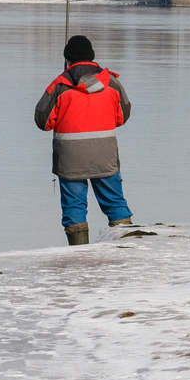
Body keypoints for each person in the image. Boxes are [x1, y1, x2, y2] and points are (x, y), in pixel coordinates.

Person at [33, 34, 134, 245]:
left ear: (68, 59)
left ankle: (79, 255)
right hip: (104, 156)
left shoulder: (60, 85)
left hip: (70, 159)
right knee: (115, 203)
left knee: (74, 207)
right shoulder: (111, 83)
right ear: (92, 56)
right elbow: (123, 116)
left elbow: (42, 121)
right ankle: (126, 248)